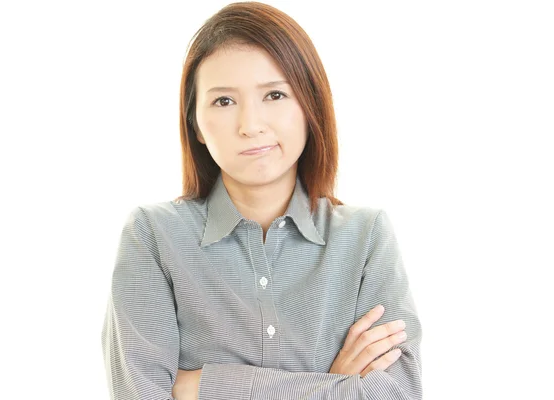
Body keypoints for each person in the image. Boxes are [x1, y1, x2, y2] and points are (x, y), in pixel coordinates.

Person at [101, 2, 422, 399]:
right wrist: (335, 385)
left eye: (274, 94)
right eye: (223, 101)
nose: (250, 125)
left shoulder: (366, 236)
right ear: (196, 124)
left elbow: (396, 393)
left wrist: (203, 386)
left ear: (310, 106)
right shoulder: (152, 236)